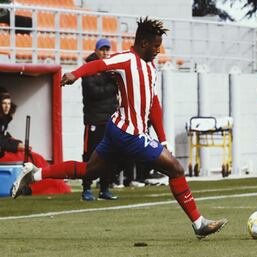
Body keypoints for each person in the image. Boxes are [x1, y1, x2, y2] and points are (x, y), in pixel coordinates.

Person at [12, 17, 227, 239]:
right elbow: (98, 64)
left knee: (91, 170)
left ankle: (36, 174)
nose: (158, 50)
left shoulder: (151, 67)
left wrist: (162, 140)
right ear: (143, 43)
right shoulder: (126, 59)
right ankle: (199, 223)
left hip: (118, 130)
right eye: (155, 46)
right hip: (129, 134)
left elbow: (153, 104)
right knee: (176, 169)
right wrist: (76, 74)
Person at [0, 89, 71, 195]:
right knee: (33, 159)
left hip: (6, 149)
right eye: (4, 104)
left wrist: (18, 144)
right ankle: (48, 181)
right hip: (4, 153)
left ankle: (51, 178)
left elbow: (4, 136)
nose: (7, 106)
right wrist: (17, 146)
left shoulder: (5, 119)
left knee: (37, 157)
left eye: (9, 104)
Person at [80, 38, 118, 201]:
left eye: (107, 49)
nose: (105, 52)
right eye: (102, 49)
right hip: (94, 120)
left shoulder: (110, 69)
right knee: (90, 155)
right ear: (96, 50)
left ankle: (104, 188)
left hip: (109, 120)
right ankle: (86, 188)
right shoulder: (88, 69)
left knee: (109, 155)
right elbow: (94, 92)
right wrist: (113, 86)